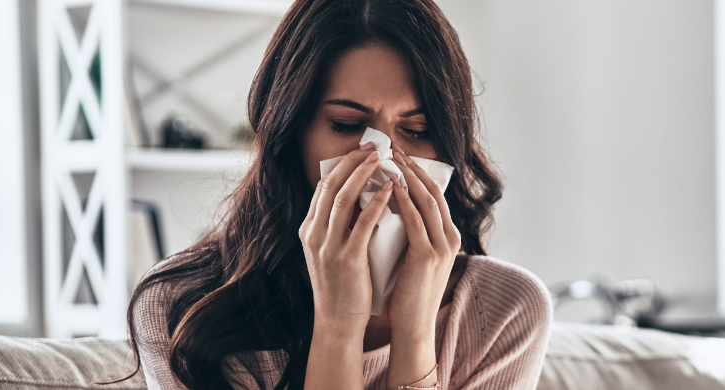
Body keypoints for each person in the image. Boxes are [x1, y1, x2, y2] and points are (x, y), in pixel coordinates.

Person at [123, 1, 552, 389]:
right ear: (291, 134)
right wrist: (338, 327)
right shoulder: (179, 307)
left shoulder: (506, 312)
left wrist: (415, 334)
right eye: (347, 125)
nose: (383, 160)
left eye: (417, 131)